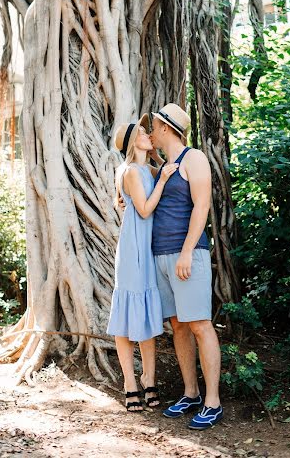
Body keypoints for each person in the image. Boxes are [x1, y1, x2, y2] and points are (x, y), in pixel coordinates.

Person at [150, 103, 223, 430]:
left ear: (165, 128)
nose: (150, 132)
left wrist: (186, 251)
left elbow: (202, 206)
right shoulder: (163, 166)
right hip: (161, 255)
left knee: (200, 325)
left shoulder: (194, 158)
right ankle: (191, 393)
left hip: (187, 256)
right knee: (179, 325)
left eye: (153, 126)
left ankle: (213, 401)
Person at [107, 114, 178, 412]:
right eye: (143, 132)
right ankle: (130, 383)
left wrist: (157, 163)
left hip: (146, 248)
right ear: (133, 140)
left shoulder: (144, 168)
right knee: (126, 320)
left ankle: (150, 378)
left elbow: (158, 171)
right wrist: (161, 180)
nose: (149, 133)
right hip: (134, 249)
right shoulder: (132, 172)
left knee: (147, 317)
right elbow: (146, 210)